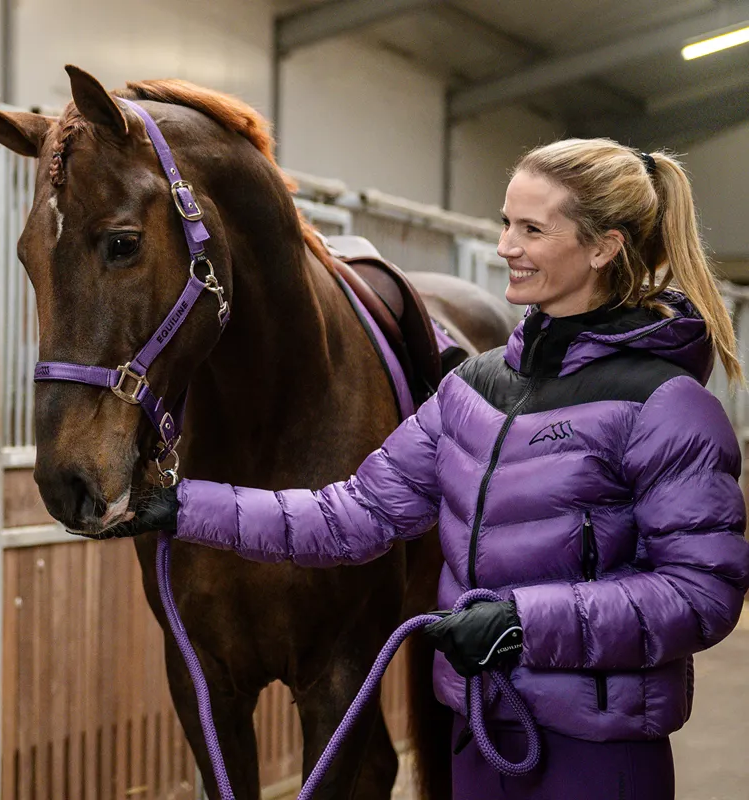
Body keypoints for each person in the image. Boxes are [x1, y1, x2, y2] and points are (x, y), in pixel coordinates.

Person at [110, 139, 749, 799]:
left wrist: (521, 623)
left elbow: (701, 593)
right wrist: (184, 506)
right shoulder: (473, 389)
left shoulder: (667, 407)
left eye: (531, 228)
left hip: (596, 753)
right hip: (477, 735)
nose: (505, 246)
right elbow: (353, 515)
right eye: (505, 223)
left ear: (602, 248)